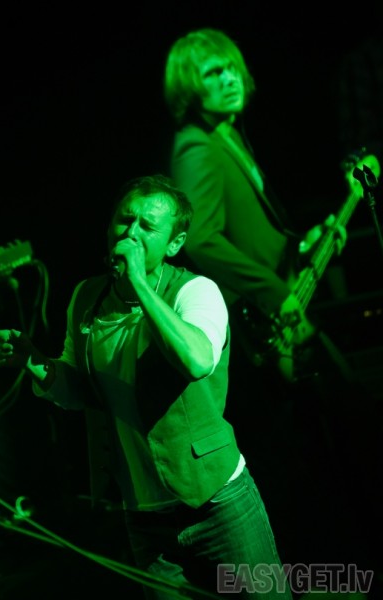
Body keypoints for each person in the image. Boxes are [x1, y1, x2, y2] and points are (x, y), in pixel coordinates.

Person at [0, 174, 293, 599]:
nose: (130, 232)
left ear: (174, 243)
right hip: (144, 518)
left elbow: (197, 360)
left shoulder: (196, 291)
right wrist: (33, 361)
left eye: (147, 226)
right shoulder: (86, 297)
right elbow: (79, 391)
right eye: (124, 219)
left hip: (217, 503)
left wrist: (139, 286)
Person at [163, 28, 383, 570]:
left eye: (231, 67)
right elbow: (199, 237)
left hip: (273, 311)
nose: (229, 79)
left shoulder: (228, 137)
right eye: (213, 73)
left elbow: (250, 237)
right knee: (313, 449)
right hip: (259, 326)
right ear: (190, 87)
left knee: (336, 434)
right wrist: (275, 291)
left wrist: (299, 247)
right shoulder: (196, 146)